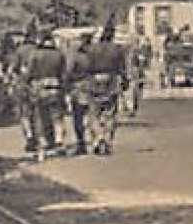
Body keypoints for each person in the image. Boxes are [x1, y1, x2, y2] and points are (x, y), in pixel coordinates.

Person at [18, 27, 69, 159]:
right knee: (57, 117)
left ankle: (42, 145)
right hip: (55, 87)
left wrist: (26, 82)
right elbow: (64, 74)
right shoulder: (58, 54)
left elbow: (28, 73)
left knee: (39, 117)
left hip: (38, 88)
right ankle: (59, 141)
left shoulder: (34, 54)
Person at [80, 26, 128, 155]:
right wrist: (125, 82)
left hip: (93, 81)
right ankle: (107, 139)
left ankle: (98, 137)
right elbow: (122, 68)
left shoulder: (91, 50)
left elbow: (85, 67)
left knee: (93, 113)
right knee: (110, 113)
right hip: (111, 81)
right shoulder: (117, 50)